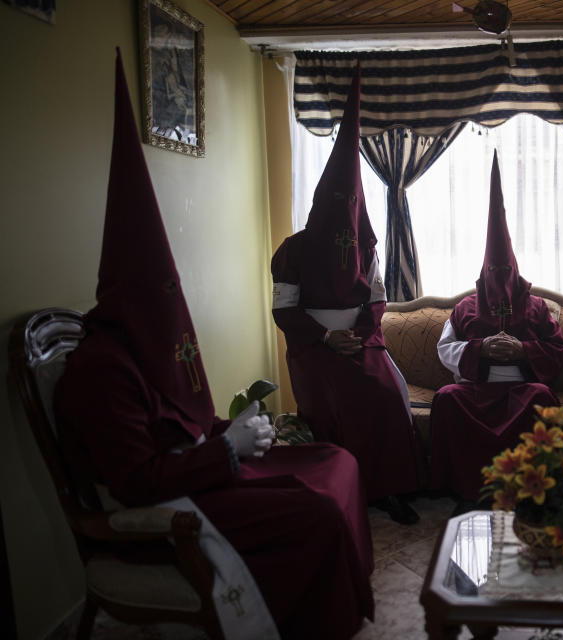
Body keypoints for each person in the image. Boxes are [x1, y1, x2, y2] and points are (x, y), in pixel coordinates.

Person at [54, 51, 374, 640]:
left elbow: (184, 420)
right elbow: (137, 480)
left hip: (206, 465)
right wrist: (228, 448)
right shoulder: (99, 371)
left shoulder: (147, 342)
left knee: (339, 460)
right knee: (317, 505)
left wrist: (234, 430)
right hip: (183, 502)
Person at [271, 67, 422, 525]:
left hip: (359, 339)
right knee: (330, 403)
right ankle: (337, 490)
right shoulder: (293, 251)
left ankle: (389, 489)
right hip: (313, 344)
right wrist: (324, 339)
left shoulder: (366, 246)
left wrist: (357, 333)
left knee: (387, 397)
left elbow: (376, 299)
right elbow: (283, 309)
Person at [429, 152, 563, 507]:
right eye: (493, 273)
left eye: (505, 273)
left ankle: (531, 488)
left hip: (523, 388)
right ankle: (469, 491)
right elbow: (444, 347)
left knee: (543, 401)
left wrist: (523, 351)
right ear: (483, 275)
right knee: (446, 399)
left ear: (515, 274)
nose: (499, 282)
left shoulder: (535, 306)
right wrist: (480, 348)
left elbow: (559, 349)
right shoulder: (466, 307)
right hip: (475, 389)